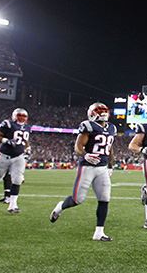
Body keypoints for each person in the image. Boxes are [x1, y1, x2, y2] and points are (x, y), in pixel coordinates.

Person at [49, 103, 116, 242]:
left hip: (102, 168)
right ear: (92, 113)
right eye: (99, 111)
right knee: (77, 199)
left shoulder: (111, 127)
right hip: (87, 167)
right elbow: (78, 147)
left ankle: (99, 232)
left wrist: (110, 165)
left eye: (104, 111)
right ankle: (60, 207)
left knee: (105, 199)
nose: (102, 113)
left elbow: (110, 149)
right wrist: (85, 155)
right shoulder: (88, 126)